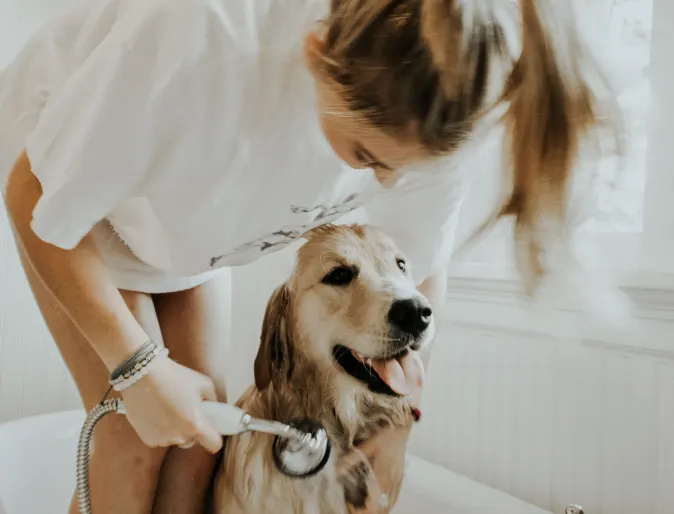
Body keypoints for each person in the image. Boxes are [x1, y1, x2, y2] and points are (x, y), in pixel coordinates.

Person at [0, 0, 618, 513]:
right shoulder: (201, 37)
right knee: (134, 440)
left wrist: (401, 421)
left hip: (194, 224)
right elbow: (34, 195)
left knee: (200, 445)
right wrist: (134, 368)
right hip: (77, 194)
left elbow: (424, 268)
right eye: (367, 158)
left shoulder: (433, 101)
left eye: (404, 170)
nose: (388, 188)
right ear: (317, 55)